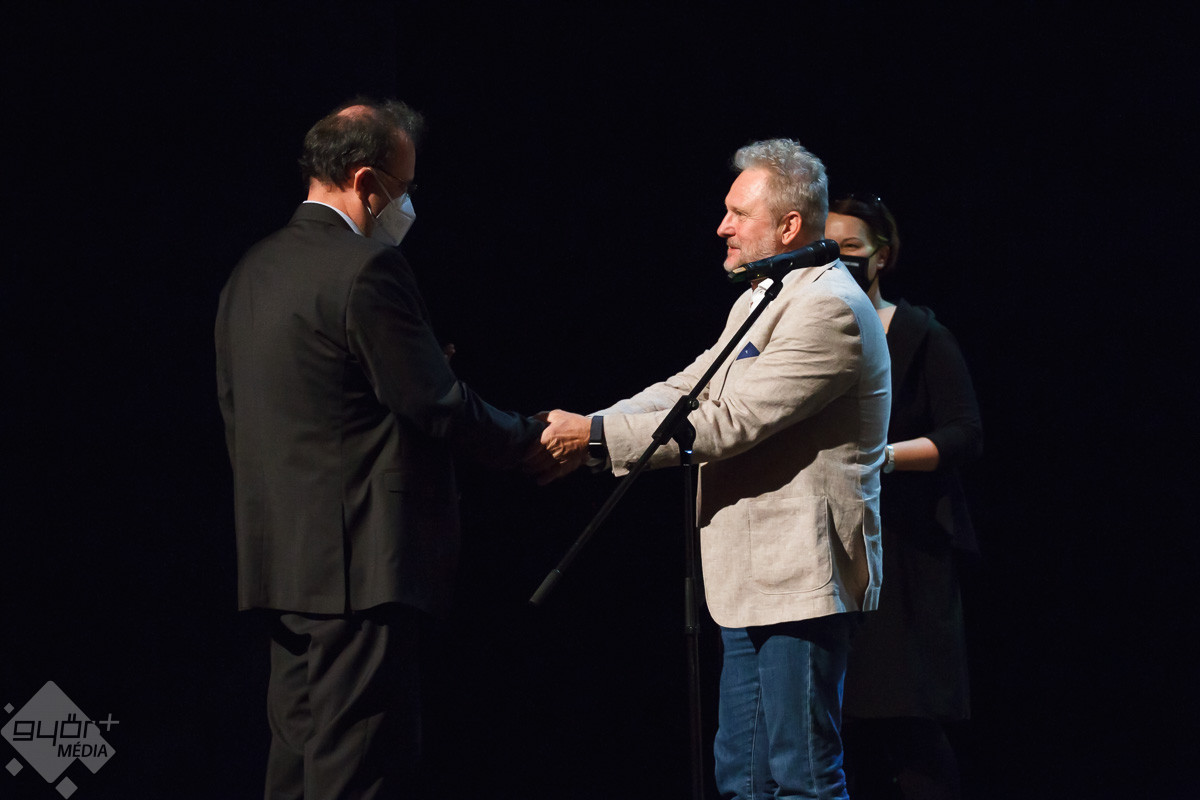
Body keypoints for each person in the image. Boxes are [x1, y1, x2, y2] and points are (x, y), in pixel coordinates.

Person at [215, 98, 558, 799]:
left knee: (295, 765)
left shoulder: (251, 269)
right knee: (357, 768)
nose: (406, 204)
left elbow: (267, 405)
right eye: (404, 187)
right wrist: (532, 438)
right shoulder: (366, 267)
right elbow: (434, 402)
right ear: (366, 181)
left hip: (281, 558)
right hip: (357, 565)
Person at [538, 140, 891, 799]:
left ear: (788, 225)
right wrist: (592, 424)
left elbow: (730, 422)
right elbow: (688, 388)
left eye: (738, 213)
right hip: (753, 575)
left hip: (800, 579)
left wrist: (594, 438)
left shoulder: (829, 309)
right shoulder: (766, 295)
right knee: (742, 781)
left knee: (803, 779)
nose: (722, 227)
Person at [825, 195, 983, 800]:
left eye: (851, 248)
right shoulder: (809, 334)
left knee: (905, 714)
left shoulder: (920, 333)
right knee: (841, 724)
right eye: (828, 249)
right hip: (830, 544)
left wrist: (883, 457)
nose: (839, 260)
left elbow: (965, 433)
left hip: (905, 547)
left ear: (881, 256)